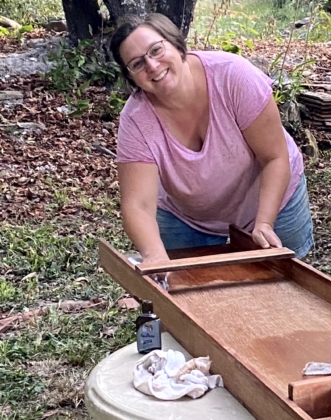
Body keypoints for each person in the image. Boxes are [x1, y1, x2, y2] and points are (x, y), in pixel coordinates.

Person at [110, 13, 313, 266]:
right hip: (187, 216)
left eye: (156, 50)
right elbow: (138, 204)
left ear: (177, 44)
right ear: (130, 77)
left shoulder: (233, 75)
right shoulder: (136, 119)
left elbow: (274, 157)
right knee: (185, 286)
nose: (152, 65)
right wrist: (155, 256)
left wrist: (264, 224)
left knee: (285, 281)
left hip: (270, 198)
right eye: (137, 63)